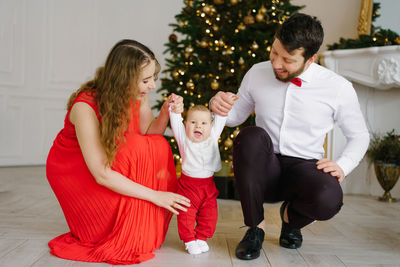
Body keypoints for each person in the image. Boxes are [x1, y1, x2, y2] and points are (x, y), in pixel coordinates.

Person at [210, 13, 370, 260]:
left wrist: (343, 165)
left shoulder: (338, 88)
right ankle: (255, 230)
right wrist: (217, 104)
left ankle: (290, 219)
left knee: (330, 197)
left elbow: (359, 135)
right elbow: (234, 118)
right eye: (274, 52)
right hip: (264, 166)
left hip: (304, 168)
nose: (276, 63)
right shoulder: (256, 73)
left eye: (287, 59)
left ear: (311, 59)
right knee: (249, 136)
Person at [46, 39, 191, 265]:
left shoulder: (137, 94)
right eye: (146, 80)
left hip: (113, 162)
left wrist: (165, 112)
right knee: (136, 150)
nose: (152, 85)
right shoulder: (85, 107)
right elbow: (101, 173)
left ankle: (137, 216)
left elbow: (148, 131)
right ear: (124, 79)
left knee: (156, 145)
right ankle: (115, 222)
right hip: (78, 174)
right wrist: (155, 196)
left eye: (153, 77)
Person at [169, 104, 230, 254]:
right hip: (188, 187)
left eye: (204, 123)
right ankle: (189, 240)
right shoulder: (184, 139)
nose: (198, 126)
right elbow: (176, 122)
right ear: (185, 125)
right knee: (186, 215)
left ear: (211, 126)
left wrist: (225, 105)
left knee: (210, 214)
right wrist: (174, 109)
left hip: (208, 186)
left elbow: (221, 117)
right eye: (193, 122)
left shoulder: (213, 136)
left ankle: (201, 238)